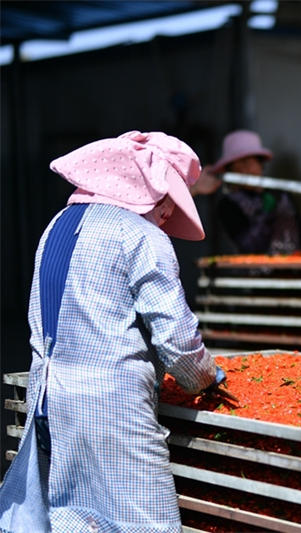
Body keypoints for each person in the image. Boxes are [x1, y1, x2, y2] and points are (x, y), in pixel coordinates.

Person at [0, 131, 231, 532]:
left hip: (50, 402)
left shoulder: (57, 225)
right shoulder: (141, 236)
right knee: (146, 522)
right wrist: (206, 377)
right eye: (167, 202)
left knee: (72, 518)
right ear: (146, 191)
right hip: (114, 409)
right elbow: (176, 339)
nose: (166, 214)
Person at [207, 130, 301, 255]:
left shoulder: (281, 195)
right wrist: (266, 214)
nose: (247, 169)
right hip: (255, 274)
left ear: (261, 165)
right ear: (230, 170)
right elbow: (249, 247)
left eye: (251, 162)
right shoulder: (228, 205)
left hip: (293, 270)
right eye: (240, 164)